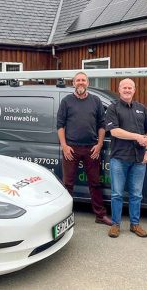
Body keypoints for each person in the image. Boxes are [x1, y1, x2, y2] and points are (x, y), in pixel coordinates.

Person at [57, 71, 111, 226]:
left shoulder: (96, 101)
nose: (80, 83)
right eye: (78, 80)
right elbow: (60, 125)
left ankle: (100, 215)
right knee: (68, 184)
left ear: (87, 83)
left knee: (95, 183)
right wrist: (65, 146)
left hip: (91, 149)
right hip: (71, 149)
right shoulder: (67, 101)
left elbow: (102, 125)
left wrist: (99, 145)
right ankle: (64, 215)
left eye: (83, 80)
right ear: (73, 83)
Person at [105, 78, 147, 238]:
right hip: (119, 158)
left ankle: (135, 224)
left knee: (136, 194)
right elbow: (114, 131)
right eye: (124, 87)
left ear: (134, 90)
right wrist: (136, 137)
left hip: (139, 159)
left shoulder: (142, 108)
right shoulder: (113, 108)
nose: (127, 90)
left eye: (130, 88)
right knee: (117, 194)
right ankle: (115, 224)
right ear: (119, 90)